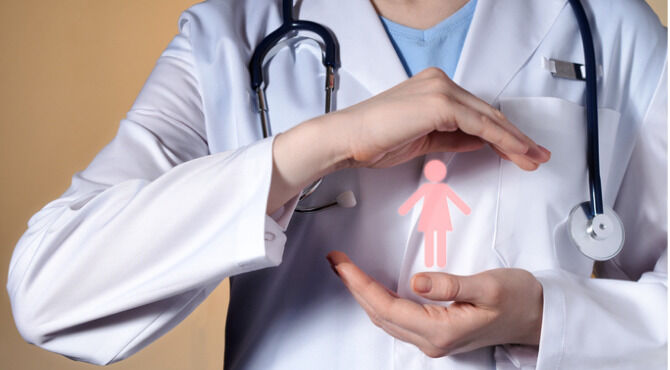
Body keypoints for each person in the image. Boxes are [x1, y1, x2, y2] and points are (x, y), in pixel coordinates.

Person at [7, 0, 667, 369]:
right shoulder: (235, 38)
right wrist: (312, 150)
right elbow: (48, 291)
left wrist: (548, 318)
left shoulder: (611, 30)